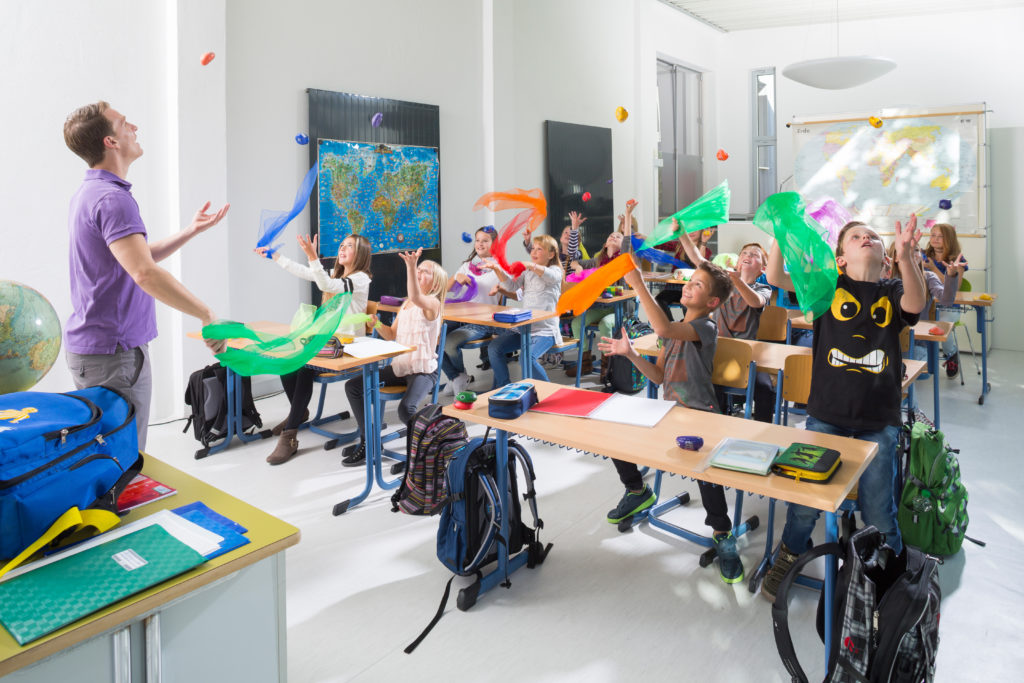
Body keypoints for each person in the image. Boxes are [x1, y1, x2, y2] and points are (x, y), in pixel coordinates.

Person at [761, 218, 926, 603]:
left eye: (874, 237)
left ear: (886, 259)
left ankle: (893, 568)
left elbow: (916, 304)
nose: (866, 238)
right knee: (806, 502)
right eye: (856, 236)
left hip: (878, 420)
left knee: (878, 508)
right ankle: (790, 553)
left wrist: (907, 257)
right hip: (826, 415)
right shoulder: (827, 288)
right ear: (840, 259)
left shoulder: (892, 289)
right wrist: (779, 232)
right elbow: (775, 276)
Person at [62, 101, 228, 450]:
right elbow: (144, 273)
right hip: (114, 354)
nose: (134, 127)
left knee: (103, 451)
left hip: (95, 350)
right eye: (123, 123)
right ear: (111, 142)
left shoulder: (90, 192)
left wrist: (189, 231)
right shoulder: (112, 199)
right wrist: (207, 314)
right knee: (122, 455)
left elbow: (136, 259)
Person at [599, 259, 746, 585]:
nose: (689, 286)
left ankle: (723, 533)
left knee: (705, 474)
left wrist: (638, 283)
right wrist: (631, 354)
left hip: (700, 414)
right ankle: (637, 491)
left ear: (712, 303)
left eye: (698, 285)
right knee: (611, 431)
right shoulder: (676, 328)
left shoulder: (705, 327)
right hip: (671, 412)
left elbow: (663, 329)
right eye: (690, 281)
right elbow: (659, 374)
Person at [255, 233, 372, 465]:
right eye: (342, 244)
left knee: (305, 368)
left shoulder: (360, 279)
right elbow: (304, 272)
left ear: (361, 254)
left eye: (350, 246)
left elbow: (325, 284)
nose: (343, 248)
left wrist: (312, 256)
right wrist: (275, 256)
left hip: (348, 350)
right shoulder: (336, 275)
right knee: (287, 362)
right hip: (326, 345)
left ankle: (290, 435)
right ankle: (299, 413)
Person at [341, 249, 447, 467]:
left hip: (423, 370)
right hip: (401, 367)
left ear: (435, 285)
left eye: (424, 271)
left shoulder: (432, 303)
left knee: (406, 409)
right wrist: (377, 324)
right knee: (353, 386)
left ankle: (427, 451)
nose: (418, 272)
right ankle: (369, 441)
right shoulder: (406, 305)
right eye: (417, 270)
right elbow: (391, 335)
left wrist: (409, 266)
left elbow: (417, 296)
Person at [676, 227, 775, 422]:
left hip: (747, 356)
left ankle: (763, 433)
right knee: (709, 385)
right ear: (738, 263)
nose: (748, 255)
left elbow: (755, 301)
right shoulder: (725, 282)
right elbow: (699, 261)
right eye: (744, 253)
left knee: (765, 388)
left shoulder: (763, 288)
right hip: (717, 353)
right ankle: (717, 424)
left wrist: (737, 282)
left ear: (762, 268)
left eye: (754, 255)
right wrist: (681, 233)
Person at [484, 235, 563, 389]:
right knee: (494, 348)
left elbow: (551, 276)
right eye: (533, 248)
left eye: (539, 249)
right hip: (524, 329)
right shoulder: (527, 272)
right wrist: (496, 269)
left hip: (545, 331)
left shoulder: (555, 270)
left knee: (526, 358)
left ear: (551, 254)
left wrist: (529, 265)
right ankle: (504, 388)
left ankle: (549, 392)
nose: (534, 252)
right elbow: (511, 286)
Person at [565, 204, 631, 377]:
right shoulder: (596, 260)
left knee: (605, 325)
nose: (614, 237)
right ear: (605, 242)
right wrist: (574, 229)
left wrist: (628, 215)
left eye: (618, 236)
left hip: (618, 309)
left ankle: (606, 366)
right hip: (599, 307)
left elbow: (620, 291)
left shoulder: (623, 260)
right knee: (576, 323)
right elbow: (573, 256)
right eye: (612, 235)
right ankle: (585, 362)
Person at [441, 226, 506, 395]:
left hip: (483, 322)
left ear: (494, 244)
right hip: (462, 317)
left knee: (449, 343)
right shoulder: (467, 265)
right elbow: (444, 290)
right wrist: (456, 277)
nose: (480, 244)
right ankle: (456, 377)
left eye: (485, 240)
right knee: (429, 335)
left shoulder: (499, 267)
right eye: (478, 240)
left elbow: (510, 289)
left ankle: (457, 378)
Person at [923, 223, 968, 377]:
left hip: (949, 307)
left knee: (941, 325)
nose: (935, 239)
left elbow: (954, 287)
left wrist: (934, 269)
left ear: (948, 239)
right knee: (917, 324)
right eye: (932, 235)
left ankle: (951, 354)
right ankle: (921, 359)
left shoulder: (956, 259)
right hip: (928, 305)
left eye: (940, 236)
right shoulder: (924, 255)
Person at [654, 227, 715, 321]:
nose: (691, 231)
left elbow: (701, 264)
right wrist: (644, 238)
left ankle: (686, 326)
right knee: (659, 299)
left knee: (689, 306)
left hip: (692, 289)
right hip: (674, 287)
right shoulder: (679, 246)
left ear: (702, 231)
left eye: (696, 229)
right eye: (689, 229)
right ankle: (671, 325)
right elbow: (660, 244)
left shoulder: (706, 250)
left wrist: (703, 242)